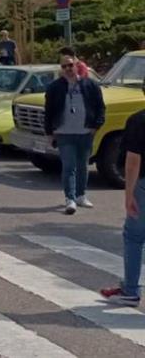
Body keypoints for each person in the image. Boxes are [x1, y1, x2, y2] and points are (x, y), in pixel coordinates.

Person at [100, 81, 145, 306]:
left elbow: (133, 162)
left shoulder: (138, 120)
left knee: (134, 237)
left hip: (143, 185)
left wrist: (128, 195)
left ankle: (130, 289)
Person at [45, 51, 106, 214]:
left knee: (83, 166)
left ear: (77, 65)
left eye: (70, 65)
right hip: (64, 133)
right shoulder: (55, 87)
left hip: (85, 132)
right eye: (64, 66)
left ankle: (81, 195)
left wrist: (96, 125)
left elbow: (100, 107)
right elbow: (49, 111)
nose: (67, 69)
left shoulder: (89, 85)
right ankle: (70, 199)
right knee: (69, 166)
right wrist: (49, 133)